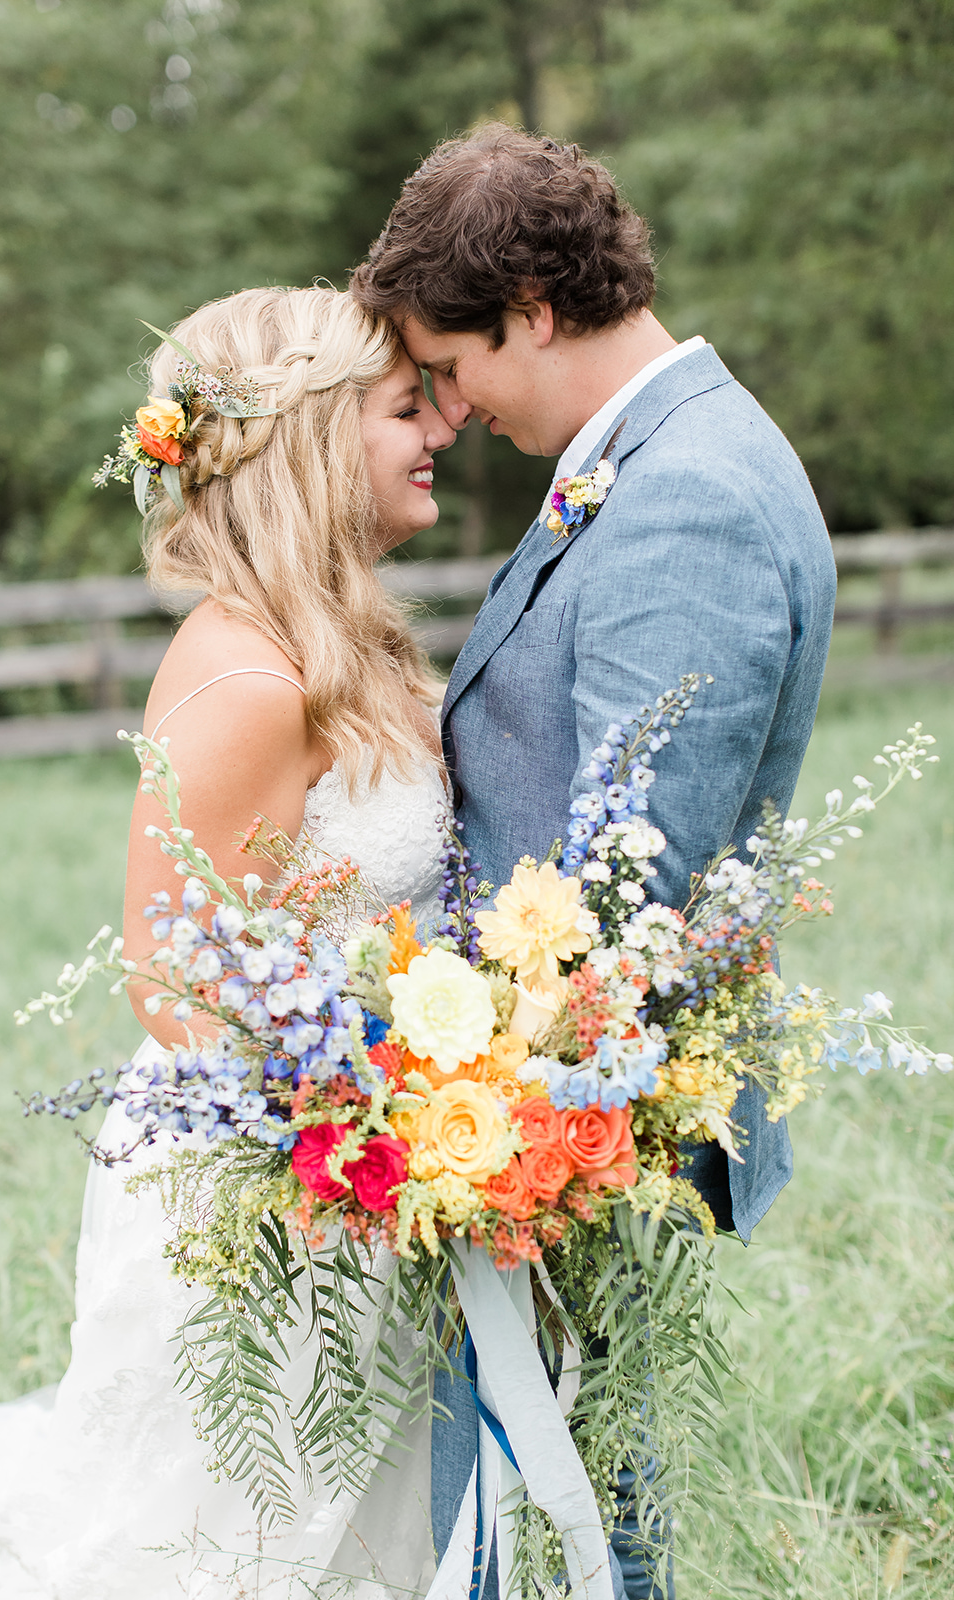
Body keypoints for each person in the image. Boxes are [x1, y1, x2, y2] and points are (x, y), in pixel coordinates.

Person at [0, 286, 456, 1599]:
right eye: (396, 408)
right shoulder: (256, 681)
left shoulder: (340, 643)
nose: (433, 430)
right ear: (316, 439)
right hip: (272, 1181)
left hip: (361, 1157)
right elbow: (172, 973)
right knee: (223, 1535)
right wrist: (346, 1121)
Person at [352, 122, 838, 1600]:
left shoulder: (685, 494)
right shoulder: (644, 454)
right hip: (525, 1104)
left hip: (568, 1113)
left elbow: (628, 879)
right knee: (539, 1502)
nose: (454, 406)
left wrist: (474, 1089)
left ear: (537, 311)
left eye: (455, 363)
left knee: (563, 1513)